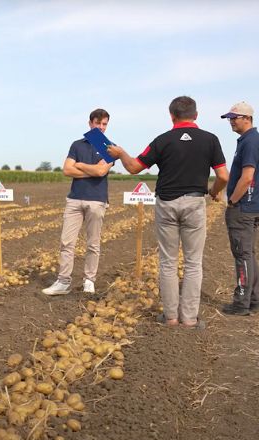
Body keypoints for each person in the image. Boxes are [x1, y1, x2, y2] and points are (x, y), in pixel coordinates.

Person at [107, 96, 229, 328]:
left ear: (171, 115)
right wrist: (214, 191)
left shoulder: (162, 140)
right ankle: (190, 319)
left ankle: (171, 317)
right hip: (194, 203)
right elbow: (223, 176)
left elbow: (134, 168)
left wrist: (121, 153)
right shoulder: (210, 140)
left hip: (166, 204)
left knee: (168, 262)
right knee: (193, 263)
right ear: (196, 115)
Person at [42, 108, 116, 296]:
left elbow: (101, 172)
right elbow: (67, 170)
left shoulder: (110, 148)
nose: (101, 127)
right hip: (74, 199)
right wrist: (91, 169)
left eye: (104, 124)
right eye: (97, 123)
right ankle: (63, 282)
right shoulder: (77, 145)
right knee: (67, 242)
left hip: (97, 200)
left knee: (93, 244)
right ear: (90, 123)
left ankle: (89, 280)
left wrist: (80, 165)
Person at [217, 102, 259, 316]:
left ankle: (241, 303)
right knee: (248, 254)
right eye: (230, 118)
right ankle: (253, 301)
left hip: (244, 208)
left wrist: (233, 201)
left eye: (234, 117)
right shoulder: (250, 140)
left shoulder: (251, 142)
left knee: (242, 255)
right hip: (252, 206)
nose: (231, 121)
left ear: (247, 118)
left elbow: (247, 177)